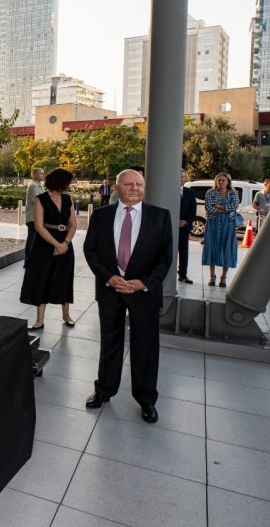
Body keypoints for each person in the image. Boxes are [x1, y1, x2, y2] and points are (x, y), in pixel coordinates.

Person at [82, 169, 173, 424]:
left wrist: (144, 283)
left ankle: (146, 399)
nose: (135, 189)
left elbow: (166, 258)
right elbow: (90, 250)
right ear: (117, 187)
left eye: (139, 185)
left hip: (144, 293)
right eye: (129, 184)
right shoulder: (101, 216)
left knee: (145, 346)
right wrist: (109, 277)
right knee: (109, 342)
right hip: (110, 289)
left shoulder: (160, 216)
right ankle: (104, 390)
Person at [20, 168, 77, 330]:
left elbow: (73, 224)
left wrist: (65, 243)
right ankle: (40, 320)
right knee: (43, 278)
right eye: (67, 182)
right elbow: (39, 226)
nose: (68, 186)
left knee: (65, 278)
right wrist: (57, 245)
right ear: (60, 182)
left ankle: (66, 315)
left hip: (65, 242)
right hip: (45, 244)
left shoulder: (68, 199)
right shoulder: (41, 199)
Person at [202, 172, 240, 287]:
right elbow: (208, 208)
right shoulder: (210, 192)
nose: (221, 182)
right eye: (219, 180)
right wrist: (225, 209)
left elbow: (234, 207)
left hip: (228, 224)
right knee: (212, 246)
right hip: (212, 223)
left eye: (223, 180)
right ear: (216, 181)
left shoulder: (233, 193)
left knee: (227, 247)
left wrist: (217, 206)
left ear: (228, 182)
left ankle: (223, 277)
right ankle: (212, 276)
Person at [23, 168, 46, 269]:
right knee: (31, 240)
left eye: (43, 173)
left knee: (36, 241)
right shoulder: (33, 186)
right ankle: (28, 262)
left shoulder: (39, 185)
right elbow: (37, 200)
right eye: (41, 173)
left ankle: (33, 261)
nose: (43, 175)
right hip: (33, 218)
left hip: (37, 217)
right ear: (35, 174)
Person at [178, 169, 197, 284]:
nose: (180, 178)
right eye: (178, 176)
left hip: (183, 227)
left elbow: (193, 210)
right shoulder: (167, 191)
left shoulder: (190, 192)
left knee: (183, 252)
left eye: (182, 176)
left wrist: (185, 221)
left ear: (185, 178)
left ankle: (183, 275)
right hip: (169, 226)